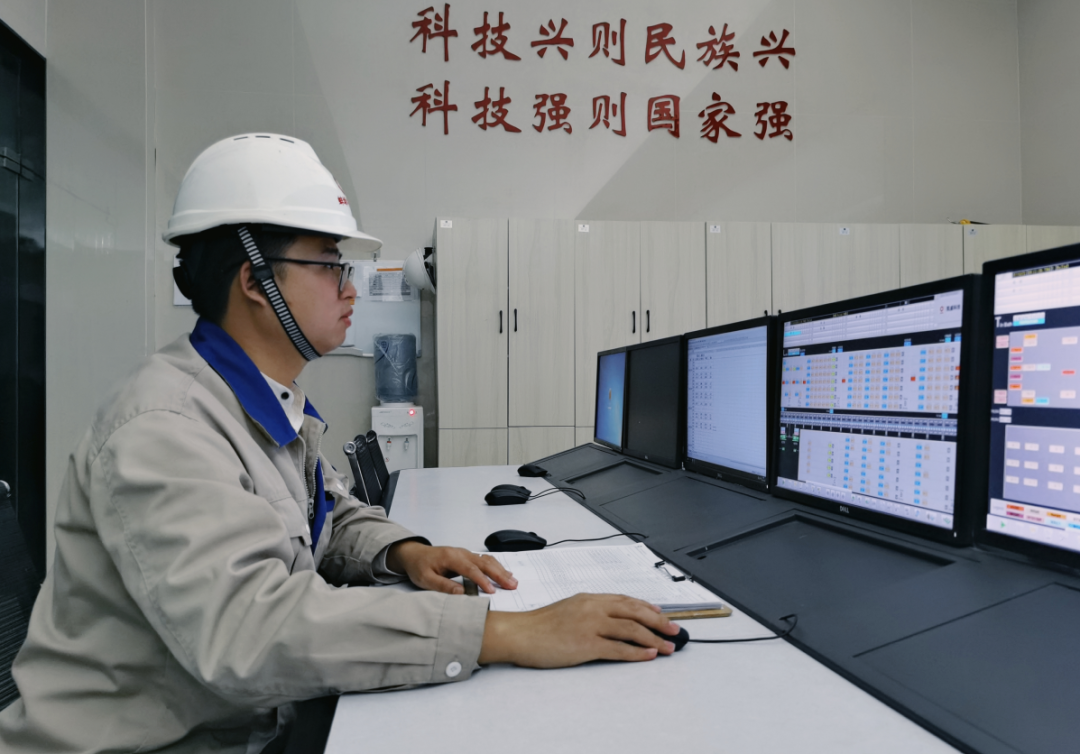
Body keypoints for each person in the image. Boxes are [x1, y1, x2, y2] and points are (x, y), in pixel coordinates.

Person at [0, 133, 680, 754]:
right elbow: (250, 632)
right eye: (329, 265)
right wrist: (506, 632)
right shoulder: (165, 428)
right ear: (256, 282)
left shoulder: (260, 401)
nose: (351, 289)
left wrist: (405, 553)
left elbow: (324, 513)